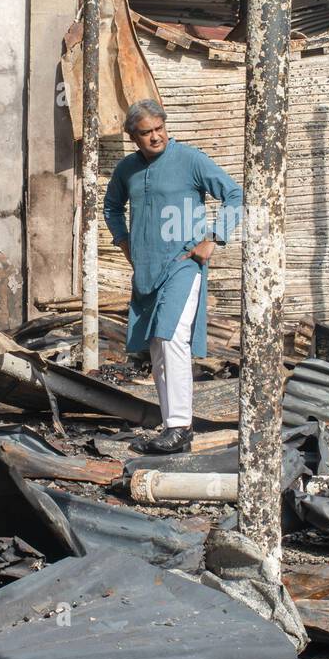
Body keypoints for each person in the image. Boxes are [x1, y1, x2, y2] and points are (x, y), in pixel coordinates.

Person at [103, 100, 243, 453]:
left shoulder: (190, 159)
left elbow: (235, 194)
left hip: (183, 263)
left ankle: (181, 426)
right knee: (157, 347)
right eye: (146, 132)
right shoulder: (128, 169)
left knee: (171, 339)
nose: (155, 137)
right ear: (133, 137)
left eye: (159, 128)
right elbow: (111, 206)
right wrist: (123, 241)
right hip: (146, 270)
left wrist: (214, 237)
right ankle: (171, 427)